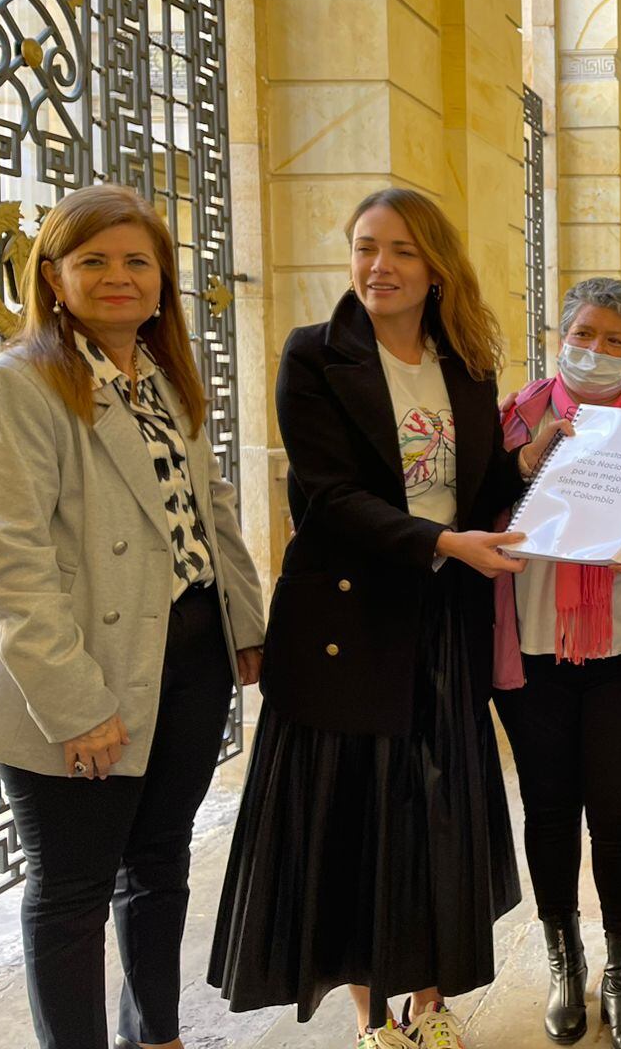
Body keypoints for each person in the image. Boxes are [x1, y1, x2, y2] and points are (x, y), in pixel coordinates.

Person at [209, 189, 529, 1049]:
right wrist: (444, 544)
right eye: (363, 248)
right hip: (349, 624)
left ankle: (429, 1002)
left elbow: (479, 492)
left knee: (437, 815)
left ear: (436, 269)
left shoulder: (466, 360)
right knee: (354, 818)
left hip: (441, 624)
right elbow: (333, 500)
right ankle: (372, 1017)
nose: (378, 266)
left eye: (400, 250)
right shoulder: (314, 356)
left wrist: (533, 460)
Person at [0, 184, 267, 1049]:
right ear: (55, 275)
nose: (119, 277)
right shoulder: (22, 386)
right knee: (72, 890)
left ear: (162, 281)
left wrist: (245, 622)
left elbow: (209, 507)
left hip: (187, 654)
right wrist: (75, 704)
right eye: (94, 261)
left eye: (137, 261)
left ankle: (157, 1035)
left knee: (158, 863)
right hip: (82, 669)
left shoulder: (162, 377)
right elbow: (14, 564)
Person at [491, 278, 621, 1049]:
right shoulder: (513, 417)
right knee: (546, 810)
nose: (595, 351)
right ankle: (563, 958)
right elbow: (479, 513)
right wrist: (533, 463)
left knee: (618, 813)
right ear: (559, 334)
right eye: (583, 333)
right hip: (533, 650)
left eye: (614, 341)